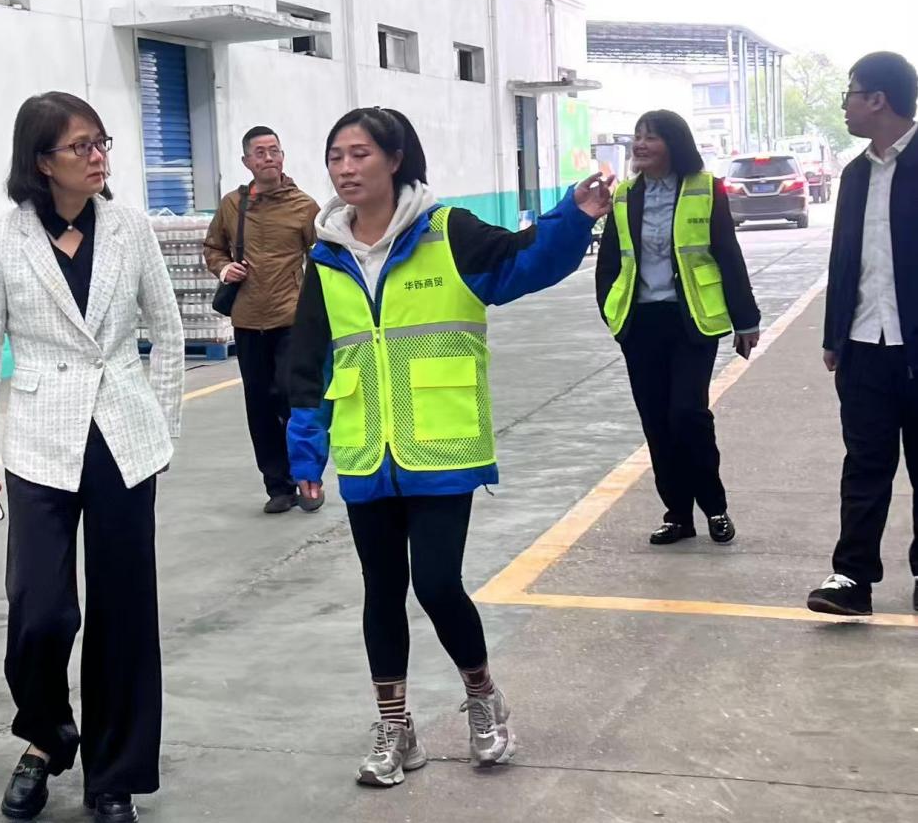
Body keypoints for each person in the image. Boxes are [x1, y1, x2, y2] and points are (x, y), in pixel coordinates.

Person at [287, 107, 612, 786]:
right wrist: (306, 452)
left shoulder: (447, 231)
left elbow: (522, 263)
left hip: (441, 446)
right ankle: (394, 727)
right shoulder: (326, 254)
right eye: (335, 157)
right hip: (365, 451)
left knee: (436, 584)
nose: (345, 169)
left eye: (359, 154)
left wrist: (573, 216)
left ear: (395, 158)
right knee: (382, 591)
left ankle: (482, 698)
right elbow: (310, 359)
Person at [0, 92, 183, 823]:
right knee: (40, 611)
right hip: (39, 440)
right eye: (79, 146)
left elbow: (169, 331)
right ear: (41, 161)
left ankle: (113, 776)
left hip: (122, 437)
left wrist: (162, 427)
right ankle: (48, 737)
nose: (96, 156)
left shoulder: (130, 227)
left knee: (124, 612)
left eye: (100, 142)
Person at [595, 110, 760, 546]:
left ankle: (715, 507)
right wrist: (611, 312)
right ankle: (678, 516)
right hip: (640, 324)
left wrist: (746, 319)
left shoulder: (706, 188)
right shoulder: (626, 194)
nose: (640, 144)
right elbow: (610, 259)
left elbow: (727, 253)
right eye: (638, 136)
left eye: (651, 137)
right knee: (656, 422)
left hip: (691, 322)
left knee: (687, 414)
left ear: (674, 143)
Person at [807, 52, 918, 617]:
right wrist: (835, 336)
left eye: (850, 93)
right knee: (865, 464)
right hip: (864, 346)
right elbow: (844, 260)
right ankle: (852, 577)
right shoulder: (854, 175)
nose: (845, 106)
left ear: (878, 99)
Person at [204, 126, 321, 514]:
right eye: (260, 152)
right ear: (246, 162)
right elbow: (213, 247)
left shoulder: (304, 206)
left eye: (274, 151)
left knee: (293, 399)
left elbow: (322, 259)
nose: (269, 158)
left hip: (291, 320)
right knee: (259, 405)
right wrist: (225, 269)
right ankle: (278, 486)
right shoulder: (232, 206)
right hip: (248, 320)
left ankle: (308, 479)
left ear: (283, 157)